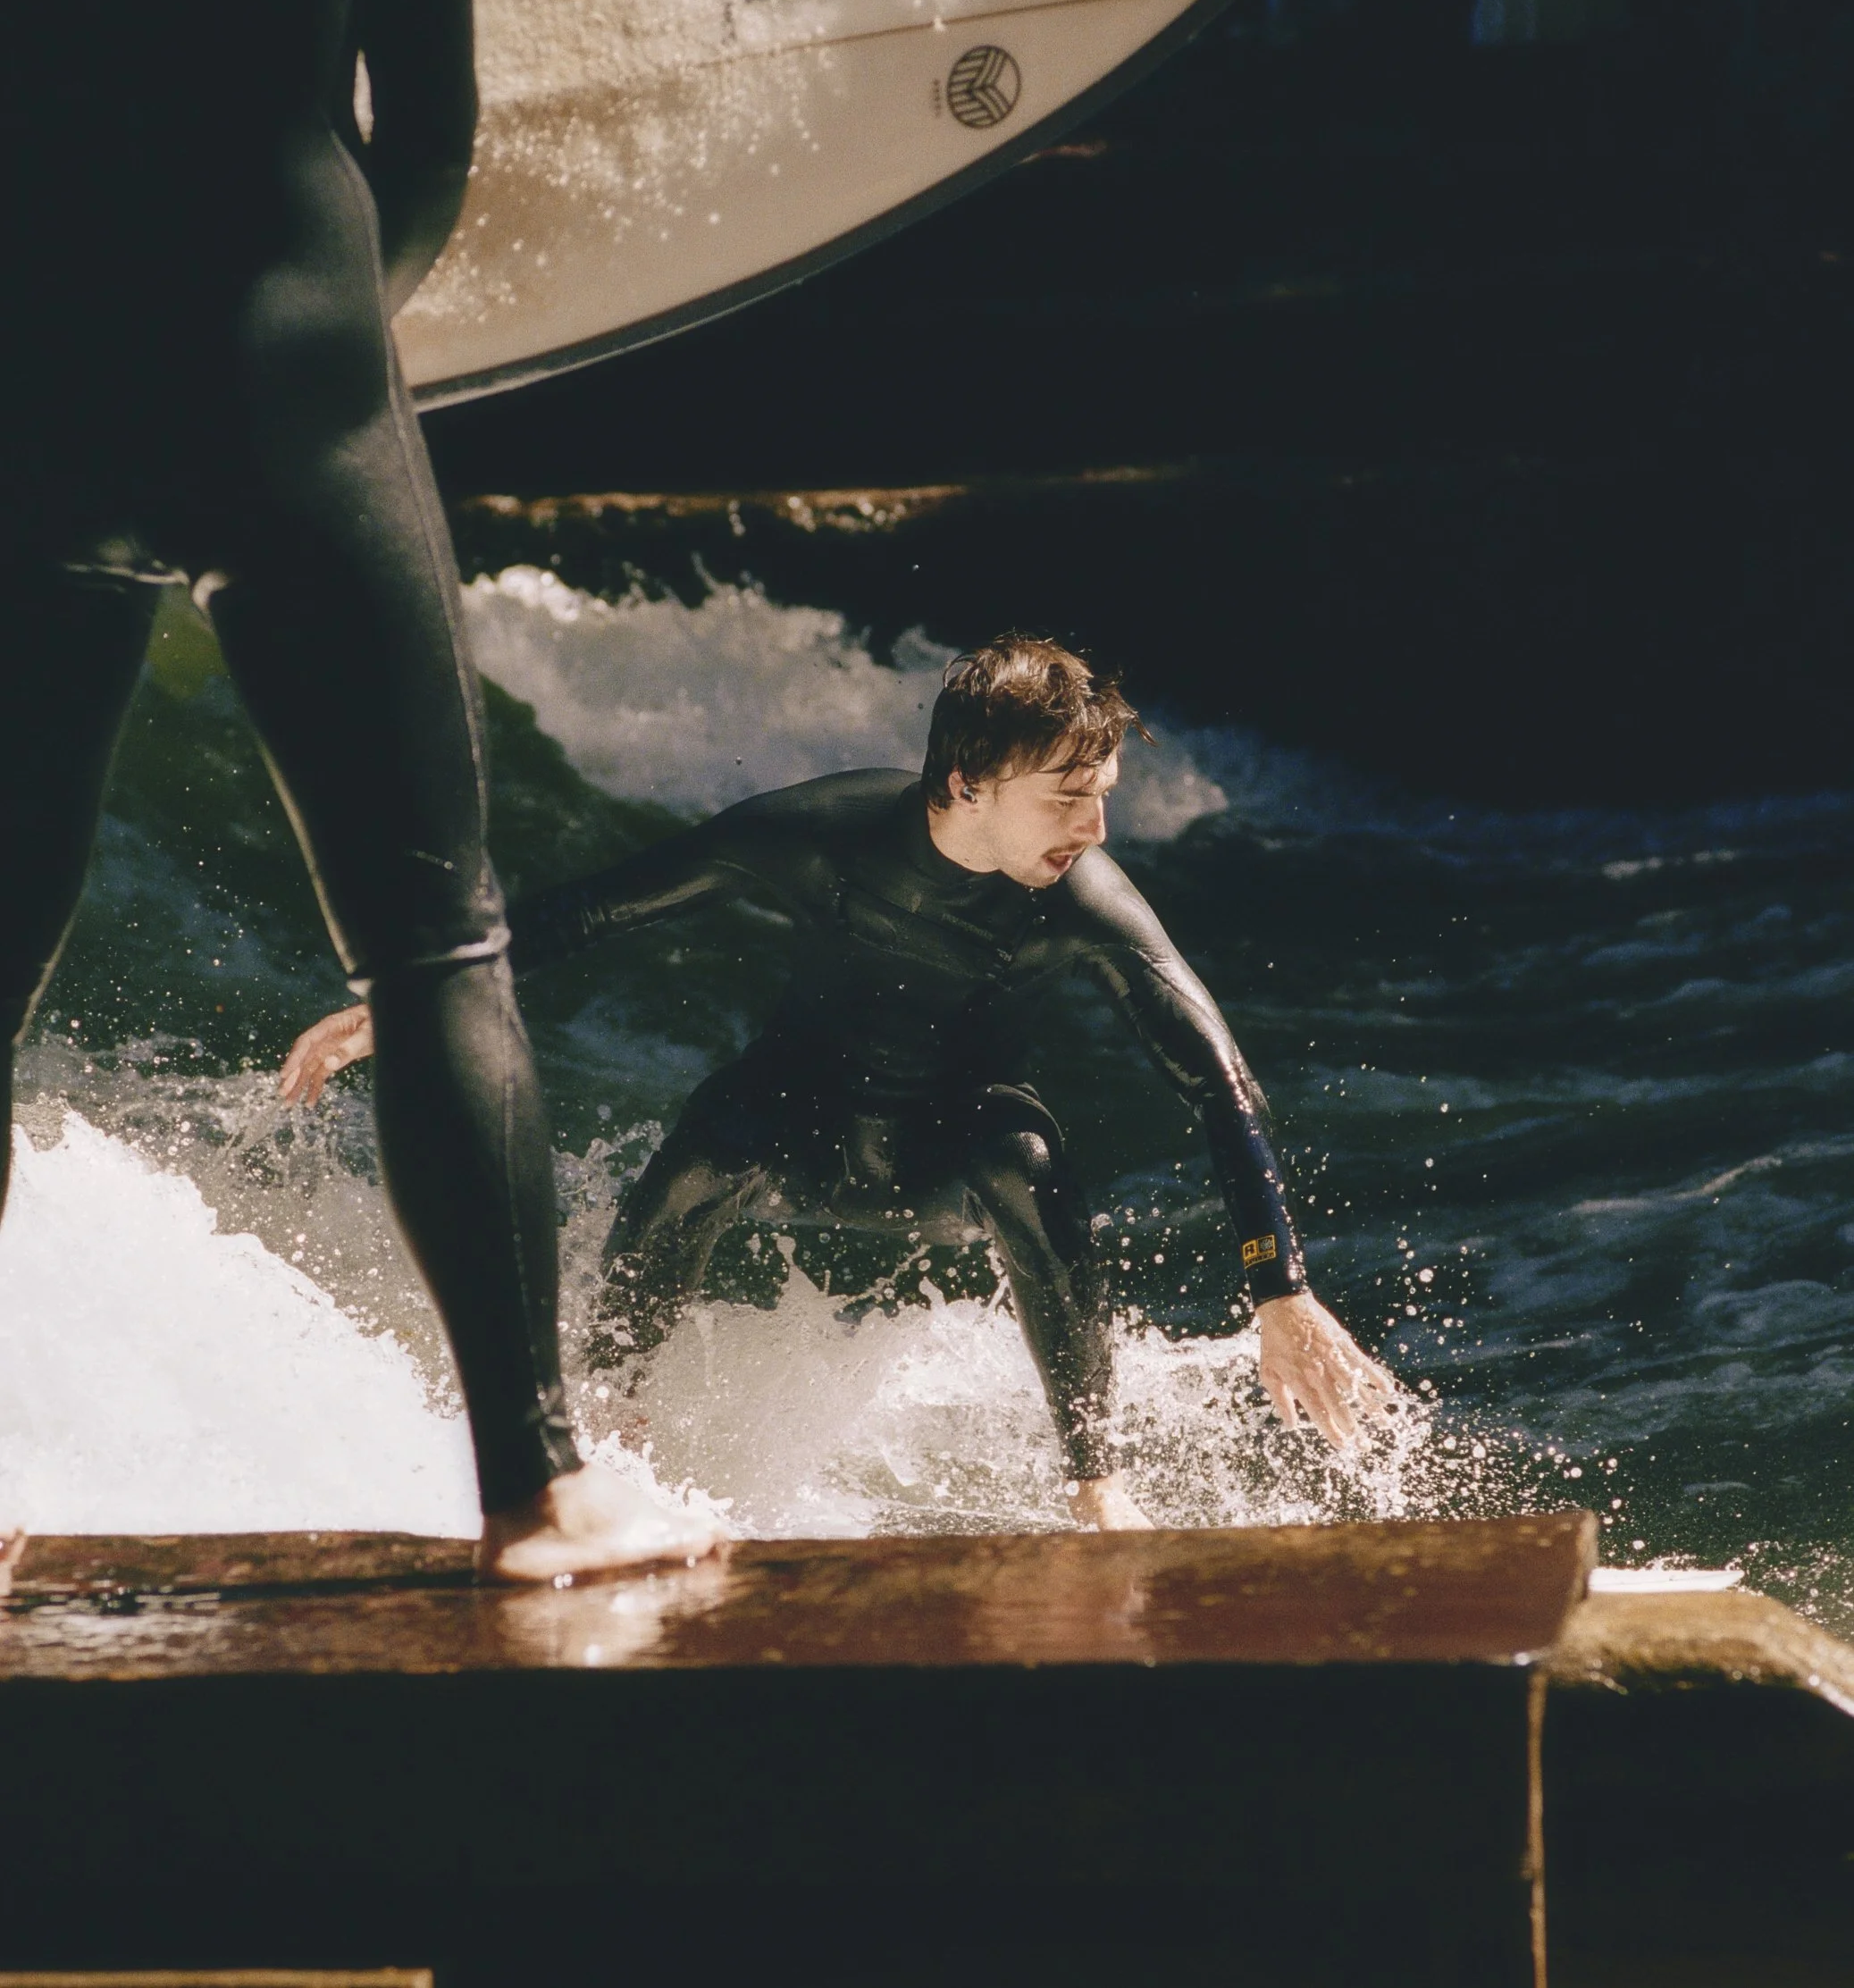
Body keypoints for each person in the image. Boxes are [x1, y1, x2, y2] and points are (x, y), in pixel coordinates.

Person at [3, 0, 678, 1584]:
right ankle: (539, 1490)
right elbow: (433, 124)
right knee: (433, 940)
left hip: (29, 389)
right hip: (283, 375)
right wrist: (327, 362)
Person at [283, 640, 1400, 1527]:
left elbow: (1221, 1078)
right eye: (1067, 796)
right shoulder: (814, 837)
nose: (1096, 827)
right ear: (965, 783)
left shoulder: (1080, 898)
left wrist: (1279, 1287)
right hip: (798, 1128)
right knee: (714, 1130)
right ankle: (604, 1420)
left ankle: (1093, 1483)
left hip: (946, 1158)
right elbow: (594, 909)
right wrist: (410, 1004)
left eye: (1101, 792)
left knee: (1027, 1157)